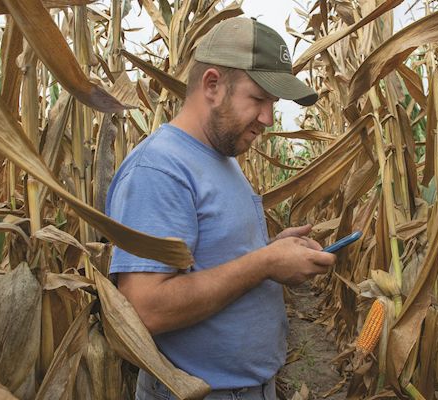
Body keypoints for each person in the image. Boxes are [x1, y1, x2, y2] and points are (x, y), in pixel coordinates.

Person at [106, 16, 337, 400]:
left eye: (273, 104)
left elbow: (215, 259)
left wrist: (274, 250)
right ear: (212, 85)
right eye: (258, 99)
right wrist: (265, 263)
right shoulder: (161, 168)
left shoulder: (222, 158)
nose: (268, 119)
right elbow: (144, 310)